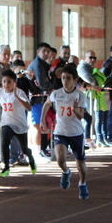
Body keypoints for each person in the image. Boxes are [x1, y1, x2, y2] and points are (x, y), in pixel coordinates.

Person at [41, 64, 89, 200]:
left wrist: (75, 110)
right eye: (63, 78)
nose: (65, 81)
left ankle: (82, 183)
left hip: (76, 133)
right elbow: (47, 104)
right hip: (60, 131)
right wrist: (43, 118)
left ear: (74, 80)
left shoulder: (80, 95)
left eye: (68, 78)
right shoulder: (56, 93)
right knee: (60, 159)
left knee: (80, 165)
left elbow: (81, 116)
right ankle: (66, 172)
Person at [0, 69, 36, 178]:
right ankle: (6, 167)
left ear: (14, 83)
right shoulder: (0, 91)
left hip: (19, 124)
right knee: (4, 142)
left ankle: (30, 157)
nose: (6, 84)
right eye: (4, 81)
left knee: (24, 149)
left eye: (9, 82)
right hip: (7, 122)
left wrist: (17, 97)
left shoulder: (19, 92)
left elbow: (29, 108)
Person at [27, 43, 52, 157]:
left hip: (39, 99)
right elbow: (42, 84)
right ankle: (36, 152)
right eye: (44, 51)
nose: (46, 53)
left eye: (48, 51)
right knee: (36, 126)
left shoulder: (43, 65)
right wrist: (49, 83)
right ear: (38, 52)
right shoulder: (37, 64)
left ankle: (35, 151)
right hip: (34, 100)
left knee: (36, 125)